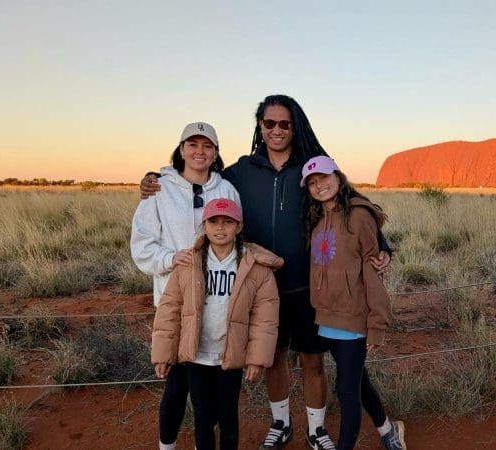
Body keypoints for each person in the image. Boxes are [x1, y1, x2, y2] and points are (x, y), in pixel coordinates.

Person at [140, 95, 391, 450]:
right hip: (261, 286)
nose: (277, 130)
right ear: (260, 126)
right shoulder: (242, 171)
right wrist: (157, 178)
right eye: (269, 123)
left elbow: (347, 202)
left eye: (284, 124)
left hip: (307, 286)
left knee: (312, 359)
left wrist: (382, 247)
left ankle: (316, 430)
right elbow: (200, 178)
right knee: (272, 359)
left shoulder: (308, 168)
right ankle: (281, 423)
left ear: (294, 126)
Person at [131, 122, 242, 450]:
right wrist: (170, 258)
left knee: (210, 387)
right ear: (181, 150)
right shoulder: (159, 190)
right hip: (174, 300)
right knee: (177, 384)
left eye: (207, 146)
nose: (199, 151)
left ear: (216, 153)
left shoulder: (226, 191)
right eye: (192, 145)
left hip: (217, 304)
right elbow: (142, 244)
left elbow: (238, 238)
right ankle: (167, 446)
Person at [151, 197, 281, 449]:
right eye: (213, 221)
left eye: (228, 222)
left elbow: (265, 318)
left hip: (229, 355)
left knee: (228, 416)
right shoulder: (188, 264)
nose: (220, 228)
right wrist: (163, 353)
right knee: (203, 417)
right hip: (197, 355)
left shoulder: (255, 267)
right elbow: (170, 309)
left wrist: (256, 357)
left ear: (239, 226)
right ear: (204, 226)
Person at [301, 156, 406, 450]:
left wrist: (377, 323)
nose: (319, 185)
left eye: (323, 178)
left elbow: (373, 274)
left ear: (338, 177)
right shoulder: (316, 218)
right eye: (312, 182)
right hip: (326, 318)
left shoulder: (358, 216)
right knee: (358, 382)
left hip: (353, 318)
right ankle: (388, 430)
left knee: (346, 391)